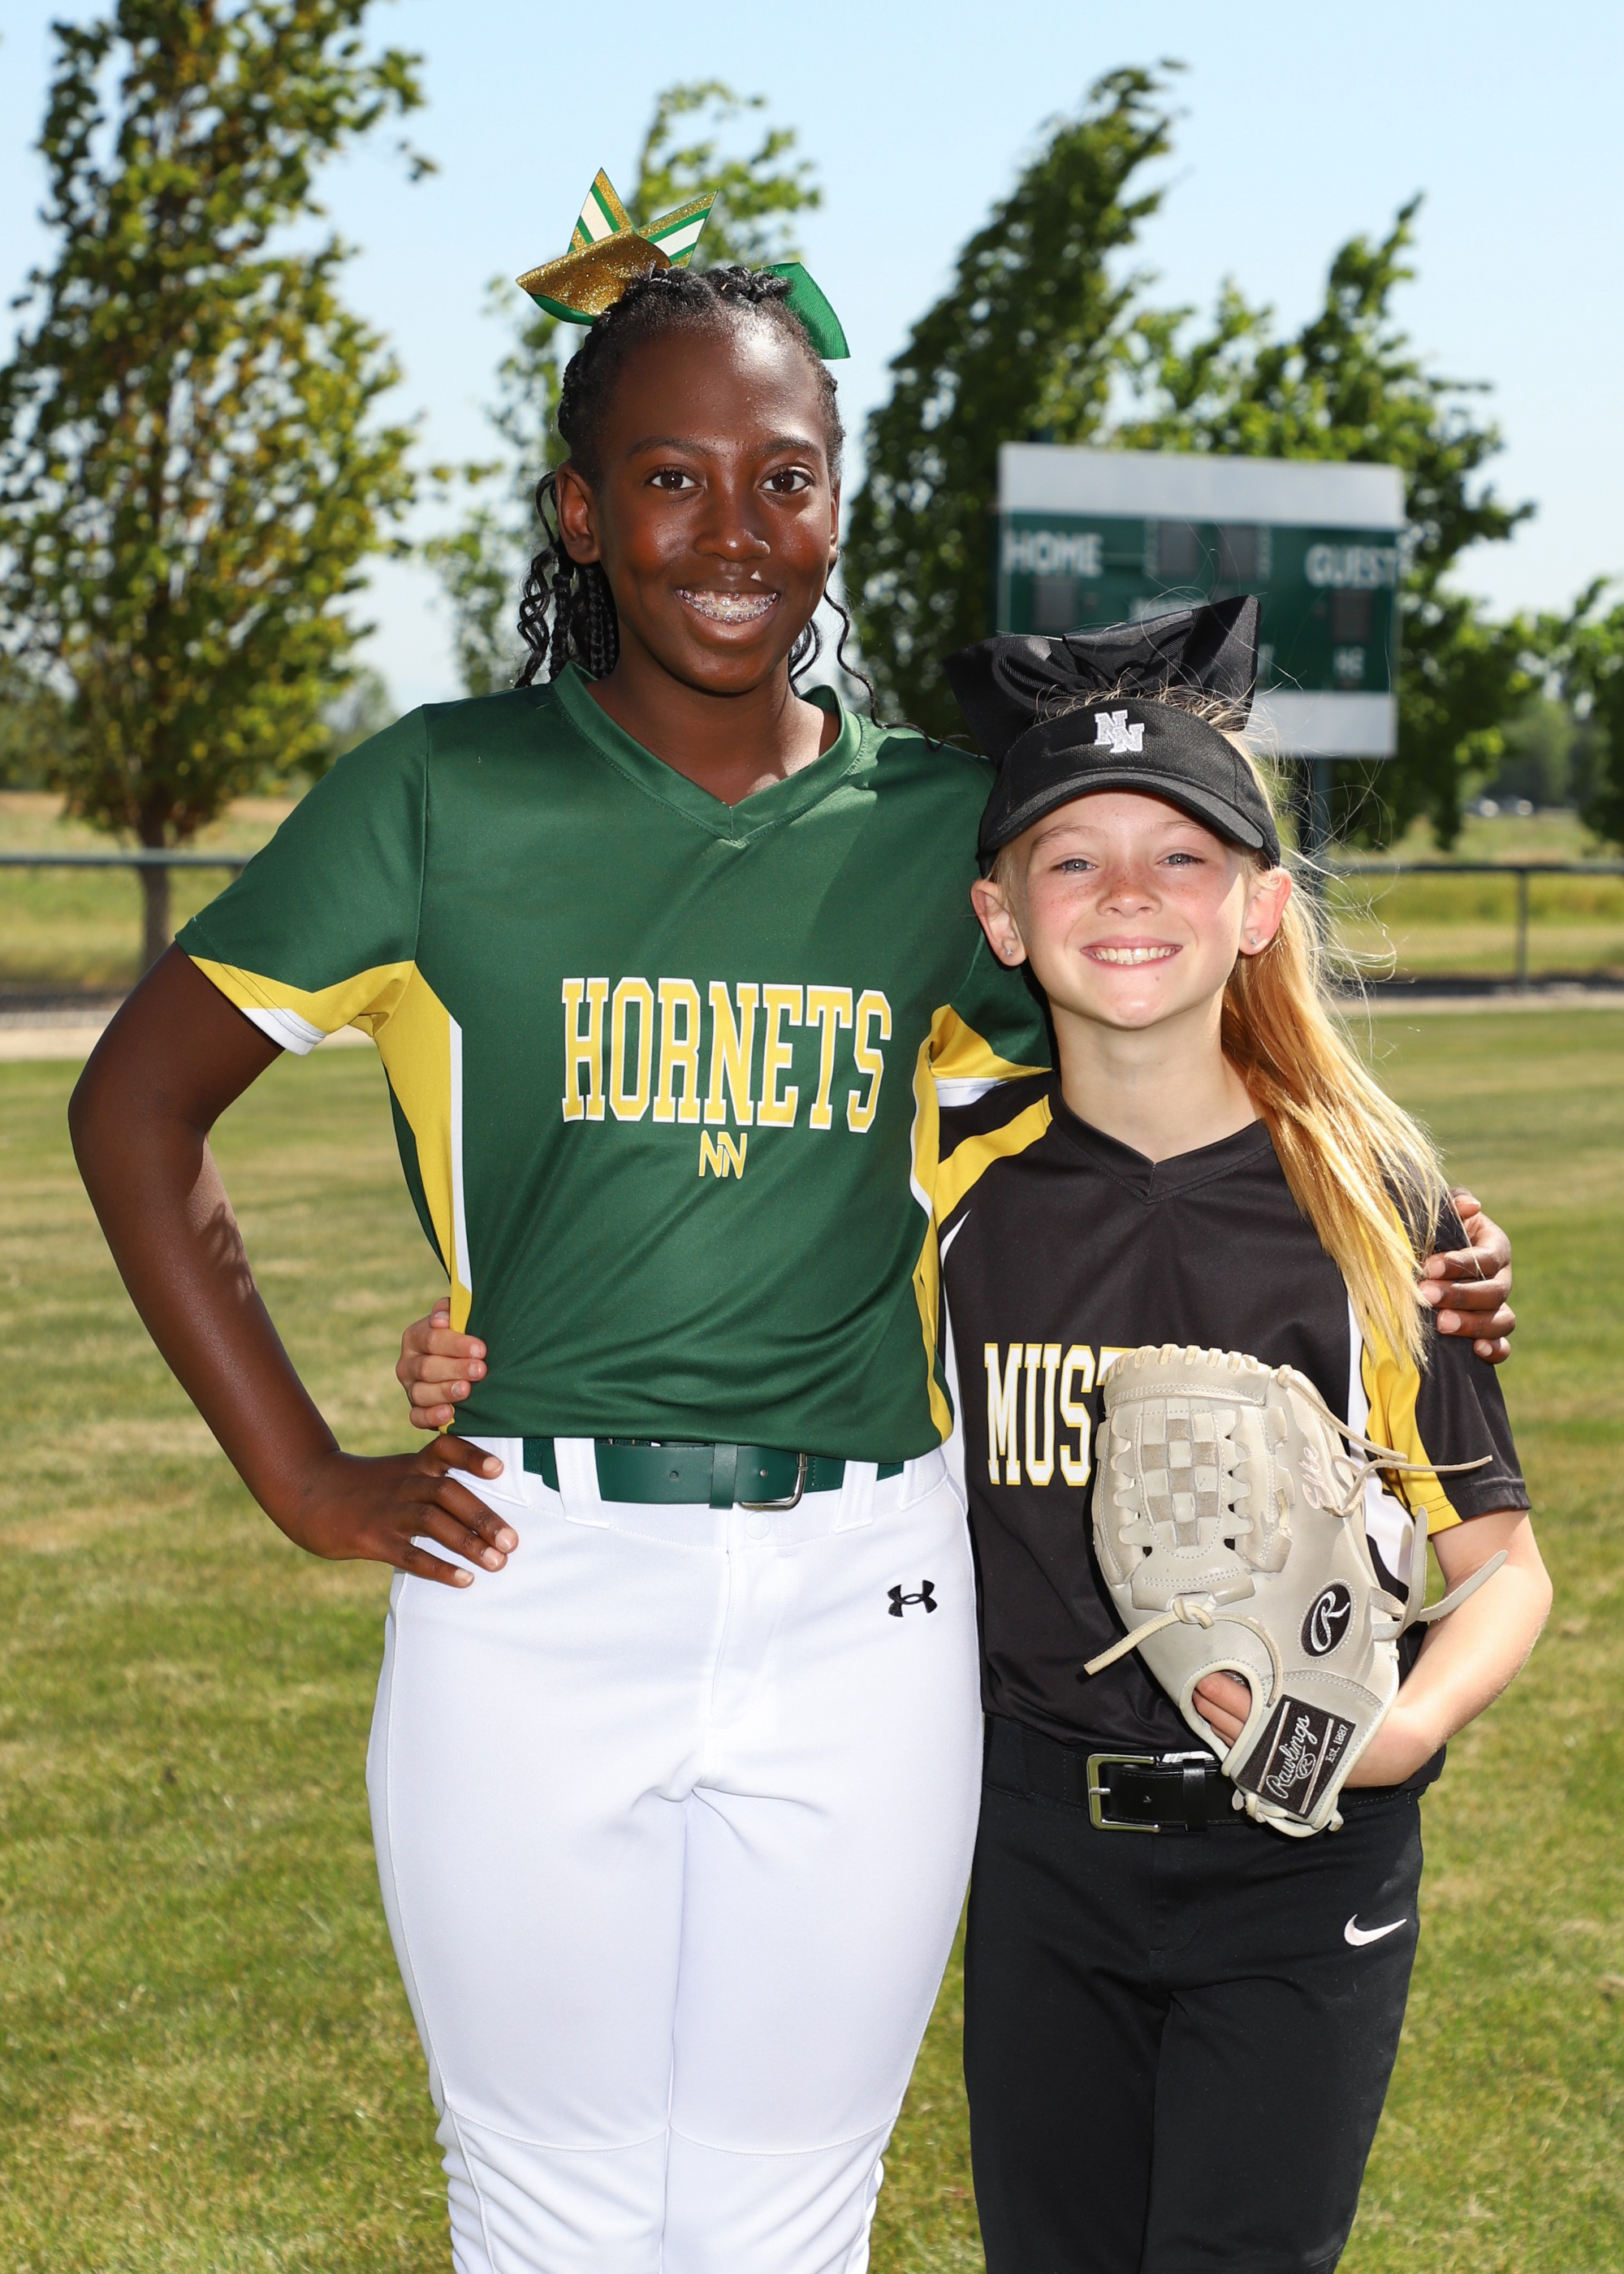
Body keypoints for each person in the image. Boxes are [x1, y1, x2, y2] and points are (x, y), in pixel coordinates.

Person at [70, 197, 1514, 2274]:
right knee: (551, 2214)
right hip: (534, 1571)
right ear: (580, 511)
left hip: (867, 1591)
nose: (731, 529)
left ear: (839, 505)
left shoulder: (936, 826)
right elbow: (134, 1104)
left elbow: (1167, 1030)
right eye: (668, 478)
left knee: (786, 2215)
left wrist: (1409, 1224)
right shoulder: (438, 794)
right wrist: (304, 1472)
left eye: (784, 476)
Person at [927, 619, 1551, 2272]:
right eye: (1072, 857)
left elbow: (1502, 1567)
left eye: (1182, 855)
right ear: (1001, 915)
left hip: (1303, 1850)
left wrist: (1405, 1728)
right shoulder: (941, 1182)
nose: (1127, 892)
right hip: (1040, 1839)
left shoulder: (1366, 1199)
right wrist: (482, 1342)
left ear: (1261, 907)